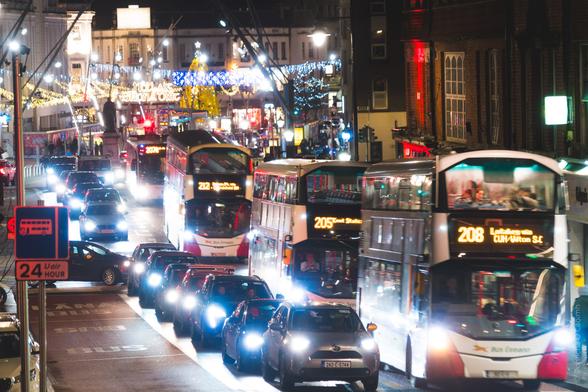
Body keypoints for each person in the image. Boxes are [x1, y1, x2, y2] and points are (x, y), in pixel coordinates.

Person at [574, 287, 588, 363]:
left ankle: (579, 358)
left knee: (578, 342)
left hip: (579, 326)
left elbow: (574, 313)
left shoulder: (577, 301)